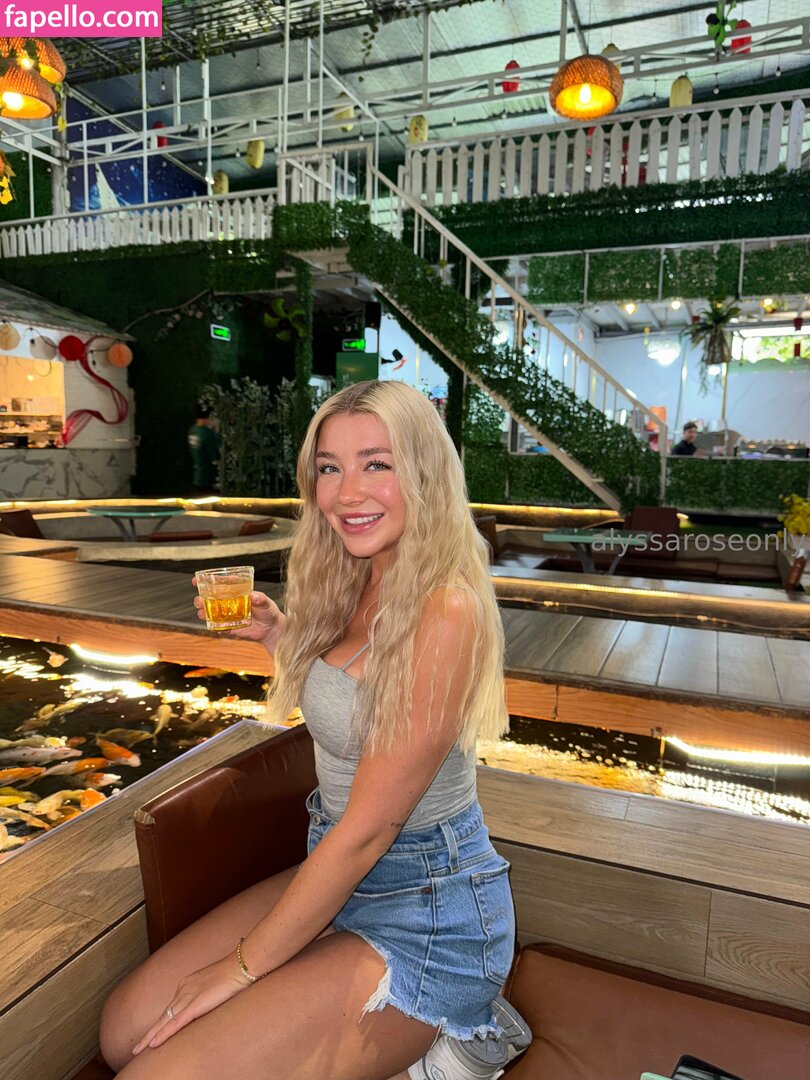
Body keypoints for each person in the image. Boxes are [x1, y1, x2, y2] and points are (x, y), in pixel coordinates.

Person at [99, 380, 531, 1079]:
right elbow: (357, 706)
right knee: (123, 1031)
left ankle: (460, 1038)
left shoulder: (446, 609)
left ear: (425, 471)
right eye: (330, 467)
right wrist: (282, 638)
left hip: (425, 907)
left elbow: (370, 830)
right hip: (336, 866)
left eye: (376, 463)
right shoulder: (358, 574)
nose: (346, 493)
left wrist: (237, 971)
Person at [187, 404, 221, 494]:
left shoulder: (193, 430)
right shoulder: (207, 433)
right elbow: (215, 456)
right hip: (207, 477)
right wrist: (216, 432)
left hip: (197, 474)